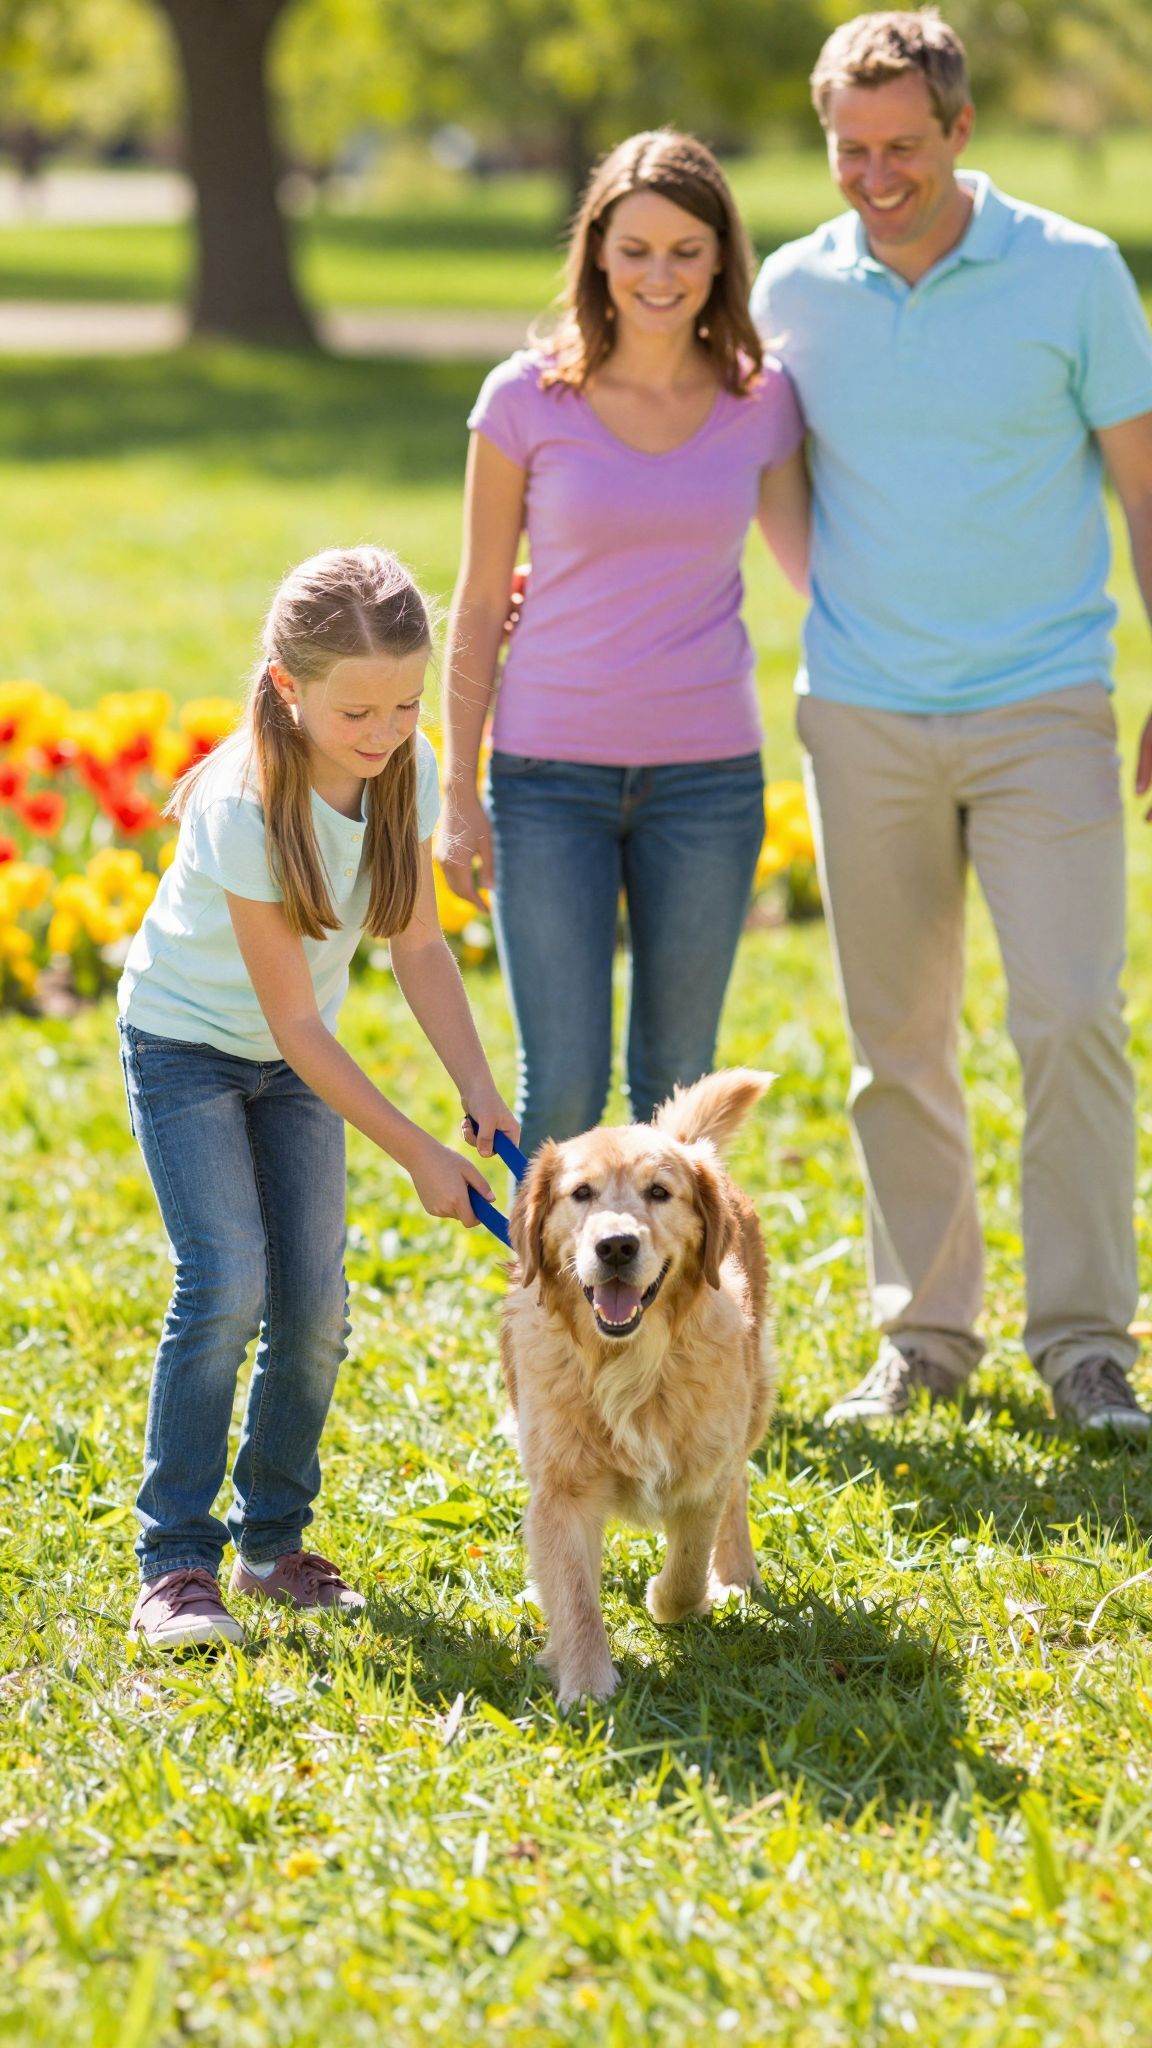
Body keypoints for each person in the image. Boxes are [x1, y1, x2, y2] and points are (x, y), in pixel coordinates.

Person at [750, 9, 1152, 1436]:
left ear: (961, 130)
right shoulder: (793, 287)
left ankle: (1088, 1344)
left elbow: (1143, 487)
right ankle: (923, 1336)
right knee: (895, 1041)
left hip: (1047, 705)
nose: (876, 176)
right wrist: (855, 610)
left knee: (1071, 1018)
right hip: (864, 715)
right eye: (850, 149)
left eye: (903, 146)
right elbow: (772, 482)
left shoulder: (1075, 272)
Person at [117, 546, 518, 1648]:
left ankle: (271, 1544)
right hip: (187, 1047)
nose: (386, 731)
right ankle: (175, 1562)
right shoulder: (244, 803)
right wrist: (420, 1151)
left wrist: (477, 1088)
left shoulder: (404, 766)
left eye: (406, 703)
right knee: (226, 1282)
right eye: (357, 711)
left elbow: (419, 945)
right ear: (287, 687)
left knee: (316, 1306)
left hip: (292, 1060)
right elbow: (297, 1025)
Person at [436, 130, 809, 1154]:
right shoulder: (523, 399)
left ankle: (668, 1272)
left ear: (722, 258)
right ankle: (544, 1270)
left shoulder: (761, 397)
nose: (660, 275)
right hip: (547, 775)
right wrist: (458, 793)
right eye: (635, 249)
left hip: (708, 781)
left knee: (676, 1083)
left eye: (687, 251)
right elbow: (478, 601)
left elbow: (816, 565)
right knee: (561, 1083)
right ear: (596, 250)